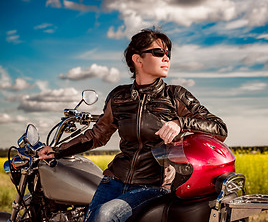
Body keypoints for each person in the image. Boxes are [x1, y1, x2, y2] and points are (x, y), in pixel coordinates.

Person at [38, 28, 227, 222]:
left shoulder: (175, 95)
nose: (166, 58)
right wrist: (56, 151)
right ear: (138, 59)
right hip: (114, 180)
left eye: (168, 53)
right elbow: (98, 135)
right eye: (158, 52)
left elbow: (219, 128)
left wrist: (181, 123)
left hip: (153, 186)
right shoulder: (119, 97)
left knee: (106, 215)